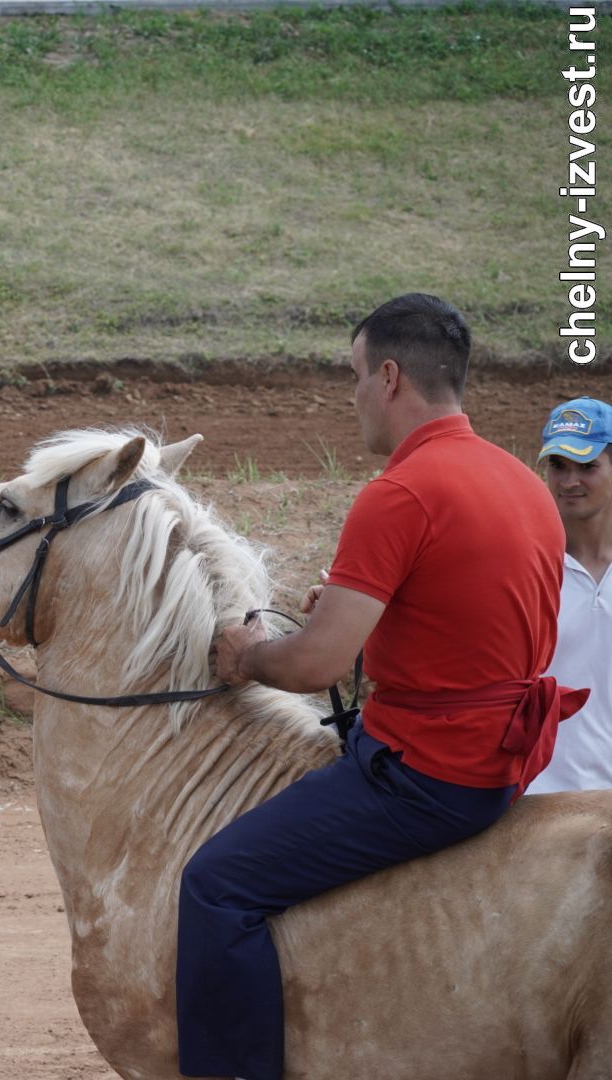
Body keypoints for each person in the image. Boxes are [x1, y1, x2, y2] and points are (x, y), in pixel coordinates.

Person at [181, 293, 586, 1080]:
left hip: (428, 776)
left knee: (216, 884)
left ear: (391, 377)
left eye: (356, 375)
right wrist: (376, 608)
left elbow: (312, 670)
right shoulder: (518, 480)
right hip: (507, 759)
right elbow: (476, 615)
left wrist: (247, 653)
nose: (353, 395)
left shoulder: (400, 493)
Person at [528, 398, 612, 793]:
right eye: (558, 465)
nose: (569, 481)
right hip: (538, 799)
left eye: (588, 466)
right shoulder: (523, 565)